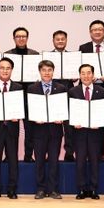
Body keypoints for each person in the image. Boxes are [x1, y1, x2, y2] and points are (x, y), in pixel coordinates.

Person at [27, 59, 66, 199]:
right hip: (38, 130)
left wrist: (62, 117)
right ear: (40, 72)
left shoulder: (61, 88)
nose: (47, 73)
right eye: (44, 70)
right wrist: (34, 118)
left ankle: (53, 189)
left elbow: (64, 108)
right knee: (39, 161)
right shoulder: (32, 88)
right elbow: (28, 109)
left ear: (53, 71)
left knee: (54, 161)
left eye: (49, 70)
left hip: (55, 130)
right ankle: (41, 189)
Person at [0, 57, 23, 199]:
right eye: (2, 68)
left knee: (13, 160)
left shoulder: (18, 88)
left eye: (8, 68)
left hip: (12, 128)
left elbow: (22, 108)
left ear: (12, 70)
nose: (5, 70)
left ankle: (12, 189)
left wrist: (18, 115)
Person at [69, 64, 104, 200]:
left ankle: (93, 189)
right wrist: (74, 122)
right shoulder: (73, 91)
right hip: (79, 132)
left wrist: (100, 123)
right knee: (80, 162)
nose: (86, 76)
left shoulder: (102, 91)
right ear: (79, 75)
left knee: (94, 161)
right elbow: (69, 112)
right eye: (83, 73)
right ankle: (81, 189)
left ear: (93, 75)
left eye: (89, 73)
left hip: (95, 133)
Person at [79, 19, 104, 159]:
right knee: (85, 122)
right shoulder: (83, 48)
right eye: (94, 30)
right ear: (90, 32)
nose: (97, 32)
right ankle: (85, 153)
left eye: (100, 29)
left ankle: (100, 153)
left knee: (101, 124)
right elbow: (81, 69)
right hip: (87, 90)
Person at [5, 27, 39, 163]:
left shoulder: (35, 55)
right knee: (10, 129)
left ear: (27, 38)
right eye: (18, 36)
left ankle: (28, 155)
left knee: (29, 129)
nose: (21, 38)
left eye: (23, 36)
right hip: (12, 95)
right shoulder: (8, 55)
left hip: (30, 96)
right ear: (14, 38)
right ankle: (9, 156)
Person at [51, 30, 76, 162]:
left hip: (69, 92)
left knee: (69, 126)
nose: (60, 41)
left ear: (66, 40)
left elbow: (79, 74)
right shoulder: (47, 57)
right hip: (52, 93)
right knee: (52, 126)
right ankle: (50, 153)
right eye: (58, 39)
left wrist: (76, 76)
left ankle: (69, 152)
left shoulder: (73, 57)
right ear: (53, 41)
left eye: (63, 39)